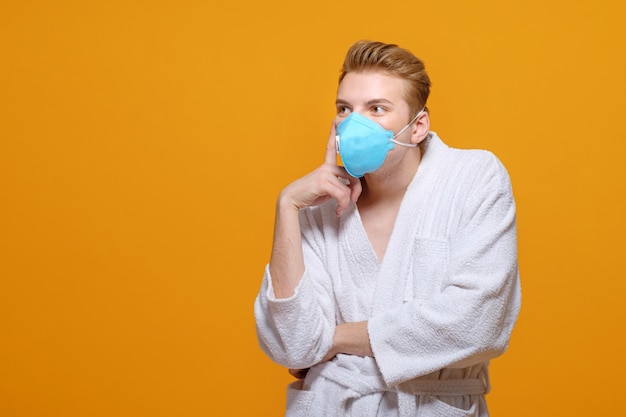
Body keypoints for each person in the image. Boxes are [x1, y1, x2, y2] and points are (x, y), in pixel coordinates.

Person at [254, 40, 521, 417]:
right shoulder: (316, 210)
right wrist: (287, 206)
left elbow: (476, 322)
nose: (354, 122)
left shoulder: (472, 180)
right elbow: (293, 345)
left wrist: (331, 339)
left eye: (376, 109)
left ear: (418, 127)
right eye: (344, 109)